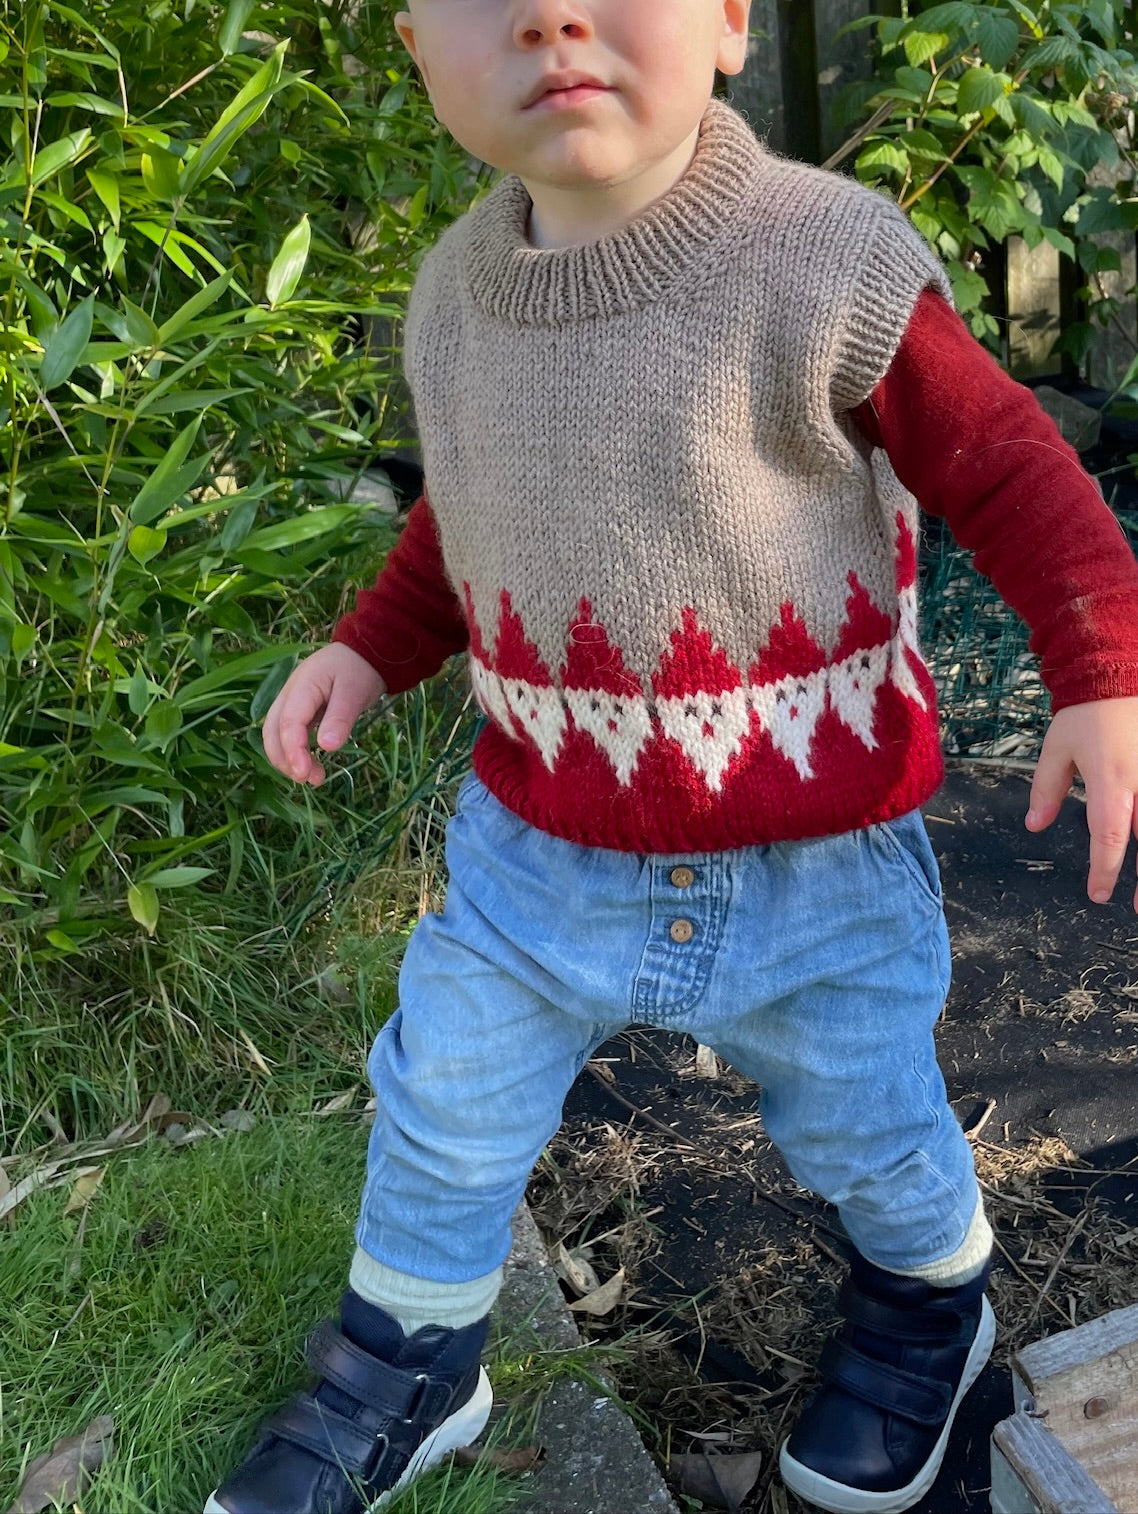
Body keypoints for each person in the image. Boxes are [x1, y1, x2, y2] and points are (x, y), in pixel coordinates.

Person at [206, 2, 1138, 1511]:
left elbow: (1005, 463)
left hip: (816, 859)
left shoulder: (822, 260)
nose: (549, 14)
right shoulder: (452, 301)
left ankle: (929, 1305)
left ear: (727, 22)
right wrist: (369, 648)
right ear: (416, 47)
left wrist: (1100, 667)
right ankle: (414, 1351)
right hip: (535, 860)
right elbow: (466, 520)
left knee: (868, 1123)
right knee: (444, 1105)